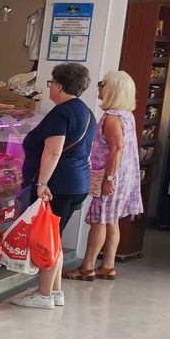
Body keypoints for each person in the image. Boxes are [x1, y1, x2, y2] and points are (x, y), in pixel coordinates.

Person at [13, 62, 95, 310]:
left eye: (51, 83)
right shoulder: (86, 112)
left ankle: (44, 294)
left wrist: (42, 183)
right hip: (77, 182)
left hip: (58, 184)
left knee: (47, 239)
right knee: (55, 237)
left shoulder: (61, 113)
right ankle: (55, 291)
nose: (50, 87)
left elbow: (53, 152)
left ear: (59, 85)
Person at [67, 69, 142, 282]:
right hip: (124, 175)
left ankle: (87, 267)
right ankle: (108, 266)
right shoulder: (126, 115)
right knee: (112, 220)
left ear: (113, 90)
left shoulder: (112, 119)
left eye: (102, 84)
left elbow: (116, 149)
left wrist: (109, 179)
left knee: (99, 221)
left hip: (110, 176)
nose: (99, 87)